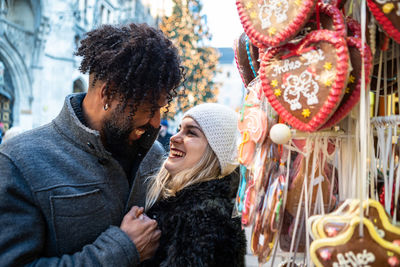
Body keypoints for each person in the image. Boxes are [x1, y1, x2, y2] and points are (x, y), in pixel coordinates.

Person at [0, 23, 184, 266]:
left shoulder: (154, 156)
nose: (156, 121)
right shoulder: (20, 161)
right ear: (108, 95)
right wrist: (122, 250)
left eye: (160, 108)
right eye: (150, 108)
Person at [142, 103, 246, 267]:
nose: (174, 138)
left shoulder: (206, 216)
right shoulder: (181, 204)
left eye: (191, 133)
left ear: (214, 152)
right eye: (179, 129)